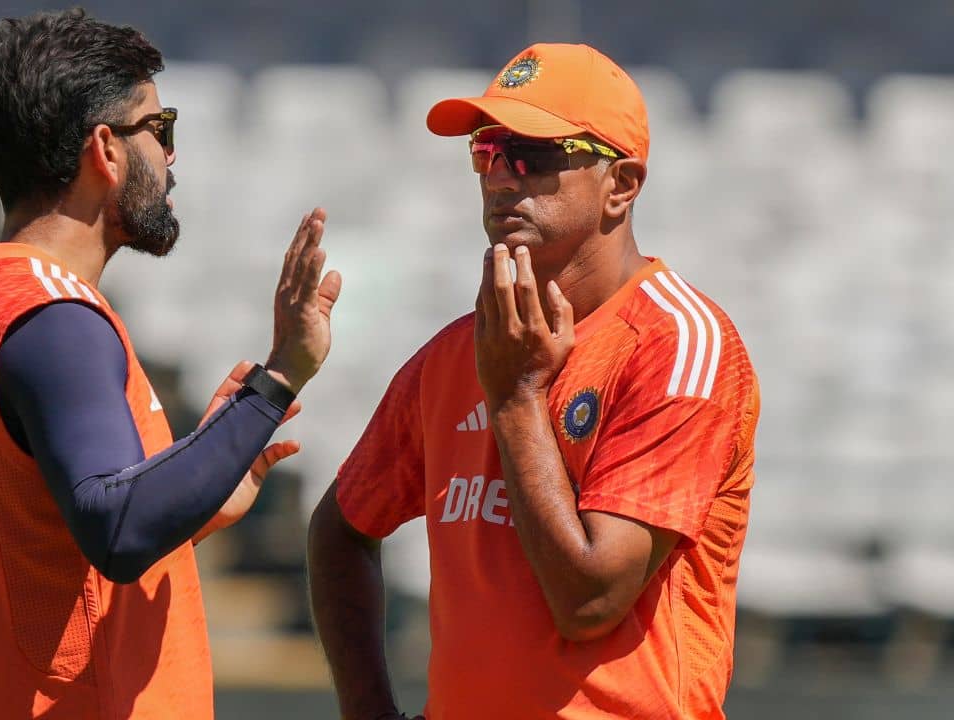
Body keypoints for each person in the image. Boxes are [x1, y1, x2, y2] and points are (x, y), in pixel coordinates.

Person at [0, 10, 341, 719]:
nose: (172, 156)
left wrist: (201, 482)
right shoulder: (56, 319)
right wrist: (278, 379)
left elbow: (58, 545)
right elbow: (118, 527)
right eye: (159, 129)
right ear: (106, 150)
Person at [308, 42, 759, 720]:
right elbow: (340, 530)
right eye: (486, 151)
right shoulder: (456, 352)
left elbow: (590, 601)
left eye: (532, 155)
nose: (499, 177)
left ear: (621, 185)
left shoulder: (679, 344)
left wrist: (517, 399)